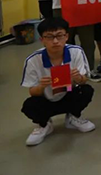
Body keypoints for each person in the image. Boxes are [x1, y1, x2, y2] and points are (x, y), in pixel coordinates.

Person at [21, 18, 95, 146]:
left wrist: (78, 78)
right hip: (46, 99)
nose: (55, 41)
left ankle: (73, 117)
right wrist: (41, 86)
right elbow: (32, 92)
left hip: (68, 94)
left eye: (59, 36)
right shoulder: (33, 60)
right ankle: (44, 124)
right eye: (49, 37)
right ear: (42, 39)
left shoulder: (76, 51)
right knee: (30, 104)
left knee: (86, 90)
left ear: (66, 36)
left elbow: (84, 80)